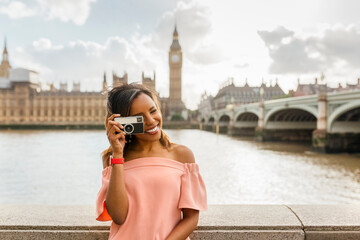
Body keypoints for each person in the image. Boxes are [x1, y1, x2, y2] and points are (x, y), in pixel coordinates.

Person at [96, 83, 207, 240]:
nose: (151, 121)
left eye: (153, 111)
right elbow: (119, 216)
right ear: (124, 123)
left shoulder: (182, 155)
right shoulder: (113, 159)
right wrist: (118, 154)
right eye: (139, 118)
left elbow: (191, 218)